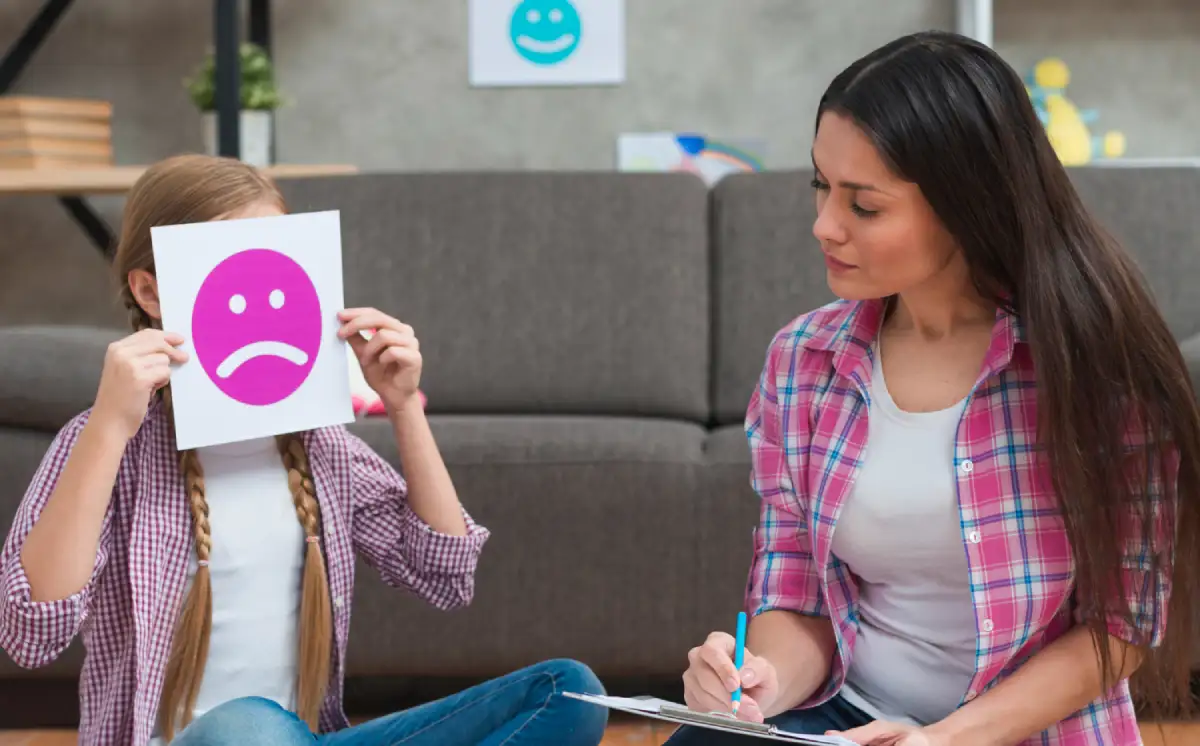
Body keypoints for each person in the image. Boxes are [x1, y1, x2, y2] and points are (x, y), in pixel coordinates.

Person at [670, 30, 1200, 746]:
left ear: (965, 204)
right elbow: (794, 587)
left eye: (864, 205)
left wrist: (945, 739)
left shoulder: (1101, 372)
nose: (824, 225)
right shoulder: (803, 360)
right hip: (845, 721)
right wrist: (758, 683)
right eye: (822, 186)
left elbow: (1122, 627)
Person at [0, 154, 608, 746]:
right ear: (150, 292)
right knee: (254, 727)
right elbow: (30, 632)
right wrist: (109, 428)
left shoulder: (321, 448)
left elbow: (443, 576)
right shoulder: (105, 442)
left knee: (569, 691)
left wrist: (402, 406)